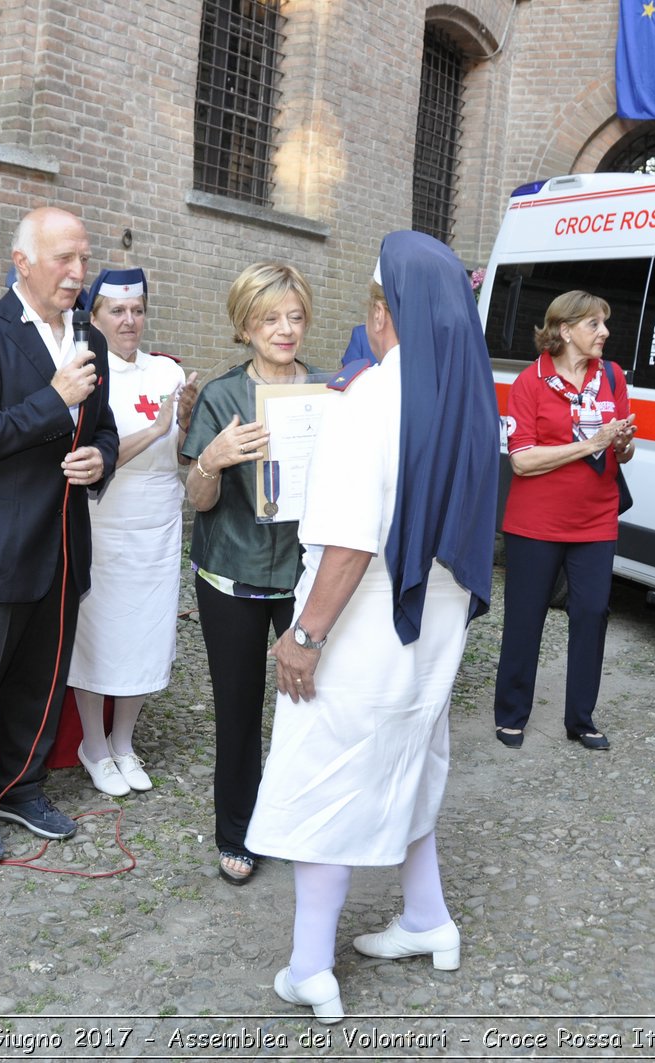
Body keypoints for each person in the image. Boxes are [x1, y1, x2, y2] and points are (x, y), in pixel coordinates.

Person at [244, 231, 499, 1024]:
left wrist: (305, 635)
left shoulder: (370, 401)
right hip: (435, 625)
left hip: (366, 620)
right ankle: (428, 919)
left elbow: (352, 539)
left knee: (327, 771)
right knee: (410, 760)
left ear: (386, 312)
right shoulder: (470, 397)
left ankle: (310, 965)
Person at [0, 206, 120, 863]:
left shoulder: (90, 341)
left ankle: (20, 786)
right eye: (63, 259)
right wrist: (52, 399)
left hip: (64, 541)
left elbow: (104, 428)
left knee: (42, 679)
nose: (78, 273)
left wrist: (102, 459)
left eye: (82, 258)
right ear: (22, 262)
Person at [179, 261, 312, 886]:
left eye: (294, 317)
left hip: (307, 573)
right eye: (270, 319)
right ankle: (237, 829)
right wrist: (211, 459)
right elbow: (199, 501)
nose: (285, 329)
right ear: (245, 326)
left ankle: (297, 819)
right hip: (231, 574)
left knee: (308, 704)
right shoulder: (223, 396)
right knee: (238, 709)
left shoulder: (329, 393)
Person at [67, 267, 198, 796]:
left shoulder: (167, 371)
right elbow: (91, 456)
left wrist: (185, 421)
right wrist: (158, 428)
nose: (130, 321)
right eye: (117, 311)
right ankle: (93, 745)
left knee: (146, 634)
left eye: (138, 310)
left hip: (159, 523)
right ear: (95, 316)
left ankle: (124, 742)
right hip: (104, 523)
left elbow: (182, 452)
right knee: (100, 637)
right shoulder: (83, 373)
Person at [492, 290, 636, 751]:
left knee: (592, 614)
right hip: (535, 523)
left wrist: (621, 444)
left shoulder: (611, 377)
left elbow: (622, 450)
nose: (605, 333)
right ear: (565, 330)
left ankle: (581, 719)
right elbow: (522, 461)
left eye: (604, 323)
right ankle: (512, 713)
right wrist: (589, 446)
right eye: (594, 324)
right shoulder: (530, 384)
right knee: (525, 618)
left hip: (596, 519)